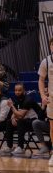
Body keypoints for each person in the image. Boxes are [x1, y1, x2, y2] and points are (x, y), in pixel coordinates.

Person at [38, 37, 53, 166]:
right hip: (52, 100)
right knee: (52, 127)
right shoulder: (46, 61)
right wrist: (43, 95)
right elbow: (41, 80)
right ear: (50, 46)